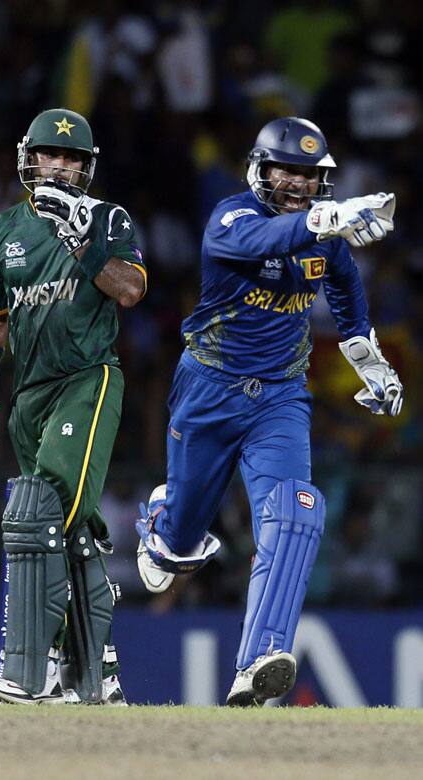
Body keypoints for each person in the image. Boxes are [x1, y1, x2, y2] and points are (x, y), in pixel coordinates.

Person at [135, 117, 402, 707]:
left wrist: (373, 366)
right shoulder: (231, 218)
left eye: (310, 176)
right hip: (208, 389)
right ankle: (162, 525)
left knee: (296, 511)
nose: (299, 183)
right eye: (288, 171)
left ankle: (258, 660)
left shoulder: (324, 240)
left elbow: (348, 301)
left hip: (280, 397)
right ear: (260, 170)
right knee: (178, 549)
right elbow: (264, 243)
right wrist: (327, 220)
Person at [0, 107, 146, 705]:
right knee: (72, 529)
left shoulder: (107, 219)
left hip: (87, 380)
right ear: (27, 158)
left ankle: (34, 671)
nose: (59, 166)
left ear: (87, 168)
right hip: (26, 397)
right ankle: (98, 677)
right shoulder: (1, 232)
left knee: (38, 515)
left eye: (72, 158)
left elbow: (131, 290)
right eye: (49, 154)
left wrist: (78, 239)